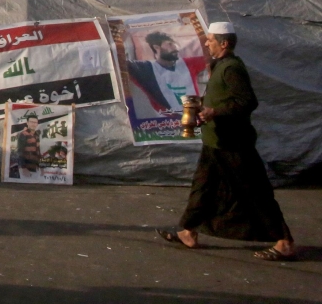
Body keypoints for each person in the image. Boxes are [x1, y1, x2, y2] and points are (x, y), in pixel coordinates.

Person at [160, 22, 296, 261]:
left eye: (210, 40)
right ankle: (188, 231)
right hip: (215, 141)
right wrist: (202, 110)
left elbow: (247, 101)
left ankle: (284, 242)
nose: (206, 43)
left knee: (254, 191)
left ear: (224, 43)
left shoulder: (232, 68)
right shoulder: (220, 65)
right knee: (203, 187)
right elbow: (222, 98)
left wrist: (214, 112)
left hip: (233, 144)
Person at [127, 31, 194, 117]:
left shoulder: (186, 65)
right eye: (170, 44)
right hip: (167, 119)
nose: (176, 47)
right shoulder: (146, 68)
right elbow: (121, 64)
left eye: (175, 44)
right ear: (156, 47)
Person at [15, 113, 41, 180]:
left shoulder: (37, 135)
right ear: (27, 123)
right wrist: (23, 167)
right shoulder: (23, 134)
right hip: (26, 168)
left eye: (35, 122)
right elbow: (20, 152)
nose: (33, 124)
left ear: (37, 124)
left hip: (35, 167)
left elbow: (38, 151)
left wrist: (40, 166)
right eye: (31, 122)